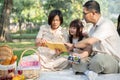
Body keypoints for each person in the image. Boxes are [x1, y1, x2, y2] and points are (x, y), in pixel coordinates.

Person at [65, 1, 120, 80]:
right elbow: (89, 48)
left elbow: (89, 41)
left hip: (111, 60)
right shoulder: (92, 29)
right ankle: (89, 71)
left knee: (97, 60)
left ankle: (88, 70)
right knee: (72, 59)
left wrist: (73, 45)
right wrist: (80, 56)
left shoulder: (106, 24)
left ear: (94, 13)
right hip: (94, 57)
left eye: (85, 13)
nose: (83, 16)